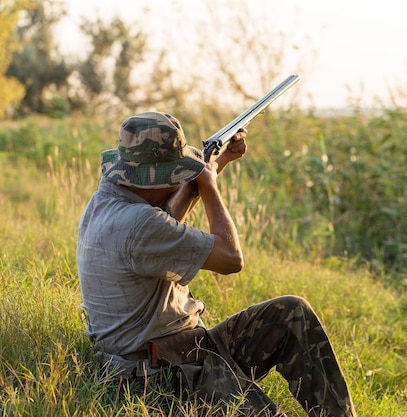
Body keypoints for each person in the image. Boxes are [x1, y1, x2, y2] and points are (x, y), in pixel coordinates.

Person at [77, 111, 356, 416]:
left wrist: (215, 164)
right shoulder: (139, 223)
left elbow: (165, 222)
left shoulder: (108, 202)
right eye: (174, 175)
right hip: (161, 378)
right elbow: (230, 259)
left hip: (181, 352)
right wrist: (208, 185)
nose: (180, 180)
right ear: (151, 178)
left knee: (291, 313)